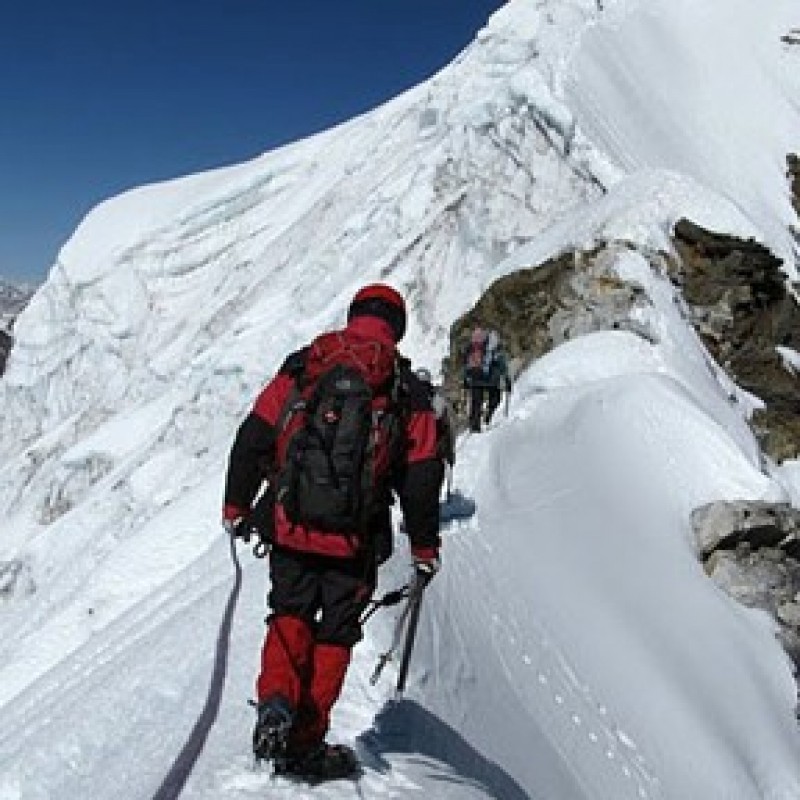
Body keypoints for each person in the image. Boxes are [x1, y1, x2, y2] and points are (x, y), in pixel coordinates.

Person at [222, 283, 443, 781]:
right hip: (355, 541)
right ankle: (304, 742)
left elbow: (254, 436)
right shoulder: (406, 389)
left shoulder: (305, 366)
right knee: (335, 634)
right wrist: (425, 547)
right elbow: (422, 475)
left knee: (289, 614)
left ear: (354, 315)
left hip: (290, 525)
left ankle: (276, 703)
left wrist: (237, 504)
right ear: (397, 327)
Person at [463, 327, 511, 432]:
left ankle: (474, 426)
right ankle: (489, 419)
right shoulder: (493, 347)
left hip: (475, 379)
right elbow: (501, 364)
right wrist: (506, 378)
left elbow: (466, 365)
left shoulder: (470, 348)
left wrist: (466, 380)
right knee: (495, 399)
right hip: (491, 380)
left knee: (476, 403)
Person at [415, 367, 456, 471]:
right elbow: (448, 429)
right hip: (433, 455)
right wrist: (449, 454)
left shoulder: (405, 401)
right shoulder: (438, 401)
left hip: (409, 455)